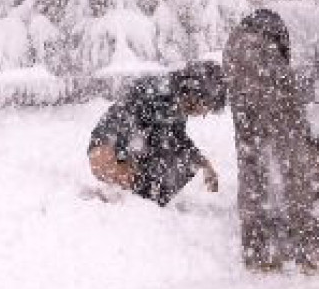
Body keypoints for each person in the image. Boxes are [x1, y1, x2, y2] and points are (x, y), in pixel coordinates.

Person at [223, 2, 319, 273]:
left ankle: (255, 252)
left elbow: (295, 99)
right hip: (265, 50)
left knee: (251, 159)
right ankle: (311, 254)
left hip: (237, 45)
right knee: (296, 165)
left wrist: (308, 139)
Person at [87, 61, 227, 206]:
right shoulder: (156, 92)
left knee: (185, 161)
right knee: (175, 160)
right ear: (194, 91)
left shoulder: (177, 102)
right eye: (205, 105)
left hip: (131, 154)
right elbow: (119, 119)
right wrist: (109, 157)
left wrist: (203, 163)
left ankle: (143, 202)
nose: (203, 113)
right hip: (110, 151)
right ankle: (125, 198)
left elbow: (178, 137)